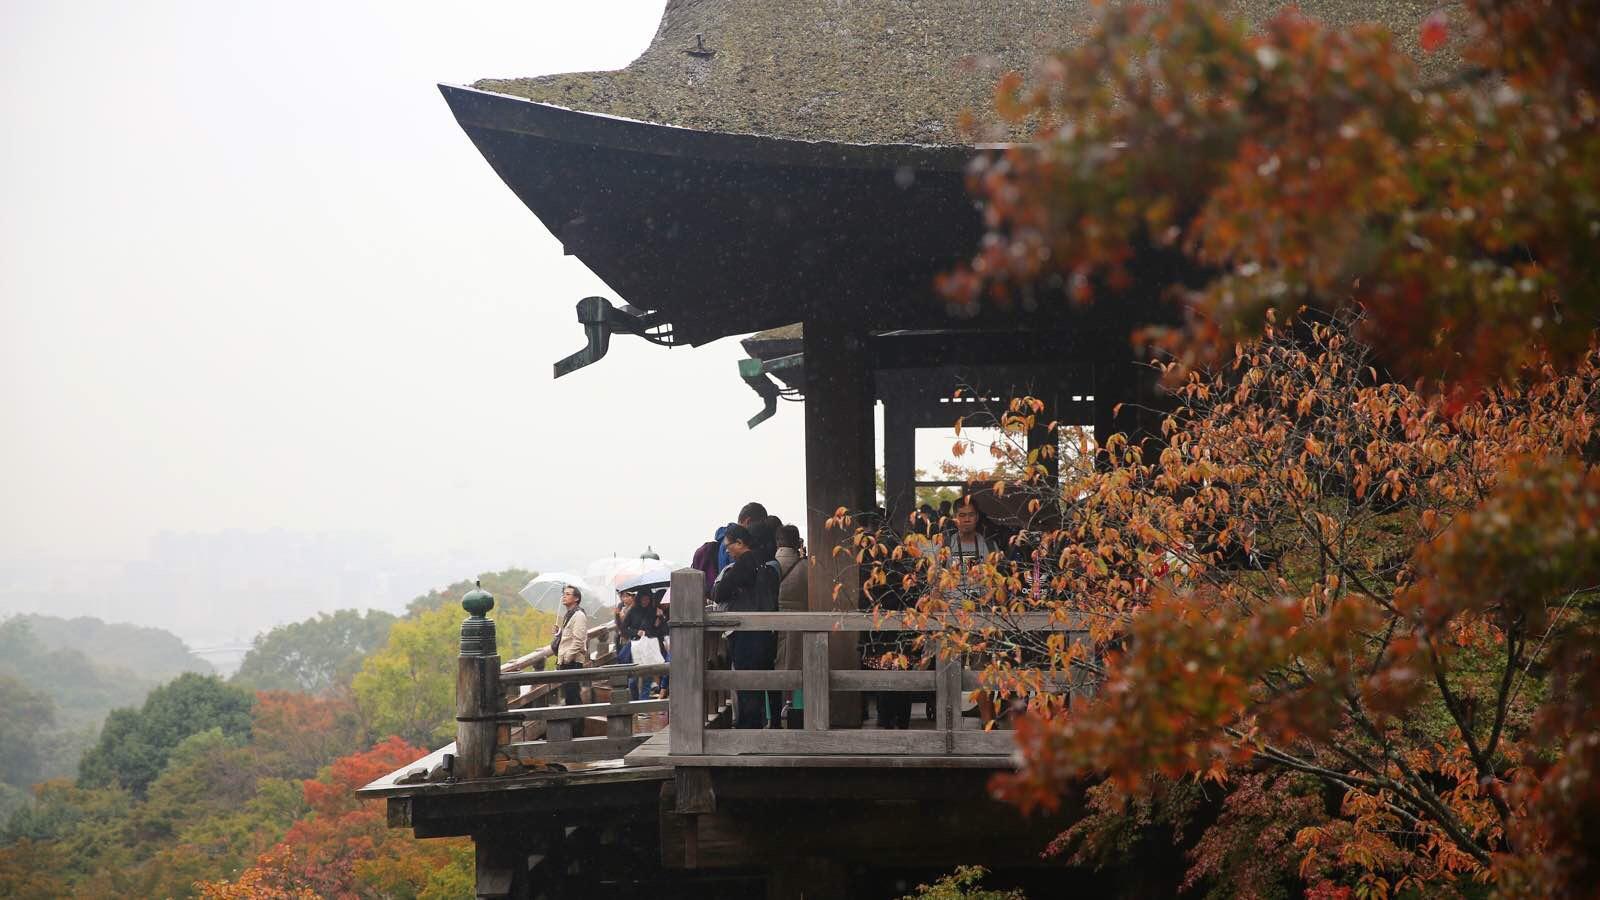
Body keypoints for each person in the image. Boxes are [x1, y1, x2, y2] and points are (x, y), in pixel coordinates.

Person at [713, 523, 781, 728]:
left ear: (740, 543)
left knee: (747, 685)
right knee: (767, 681)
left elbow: (719, 593)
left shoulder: (744, 564)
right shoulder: (770, 564)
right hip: (768, 632)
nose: (726, 550)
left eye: (728, 545)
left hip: (746, 635)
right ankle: (772, 723)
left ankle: (749, 732)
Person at [774, 523, 808, 728]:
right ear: (797, 541)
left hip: (775, 622)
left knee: (777, 666)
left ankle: (775, 712)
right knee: (801, 666)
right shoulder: (806, 566)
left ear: (777, 541)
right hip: (802, 622)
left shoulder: (770, 565)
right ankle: (798, 710)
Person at [551, 585, 590, 706]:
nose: (564, 596)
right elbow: (569, 636)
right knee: (570, 696)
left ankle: (577, 724)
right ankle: (575, 724)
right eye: (564, 594)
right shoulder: (569, 614)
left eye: (568, 594)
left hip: (572, 662)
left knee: (573, 697)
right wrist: (558, 632)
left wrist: (568, 658)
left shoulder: (578, 615)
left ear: (576, 598)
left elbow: (578, 640)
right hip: (566, 661)